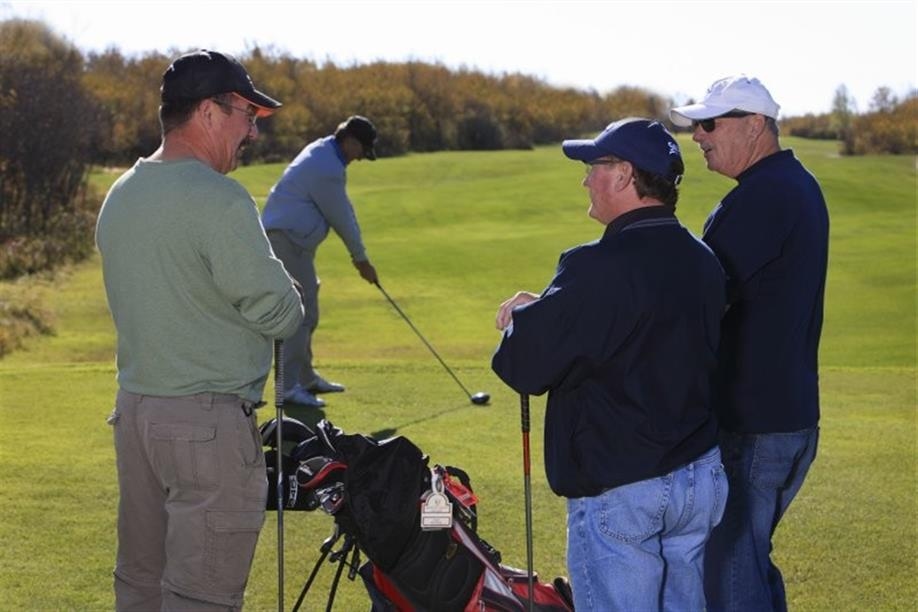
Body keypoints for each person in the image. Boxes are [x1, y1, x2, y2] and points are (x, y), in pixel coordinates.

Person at [95, 49, 304, 611]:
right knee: (201, 599)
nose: (252, 133)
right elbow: (282, 312)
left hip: (136, 415)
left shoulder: (122, 193)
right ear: (210, 112)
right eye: (247, 116)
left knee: (139, 586)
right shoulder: (220, 198)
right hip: (204, 428)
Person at [492, 118, 728, 611]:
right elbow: (645, 323)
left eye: (593, 166)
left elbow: (523, 367)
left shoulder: (592, 266)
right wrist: (551, 309)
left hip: (624, 488)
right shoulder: (703, 260)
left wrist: (524, 318)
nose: (585, 179)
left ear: (623, 174)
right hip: (697, 482)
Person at [670, 75, 829, 612]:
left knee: (731, 572)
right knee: (748, 563)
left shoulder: (768, 195)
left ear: (755, 125)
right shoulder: (788, 186)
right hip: (782, 416)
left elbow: (699, 294)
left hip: (755, 423)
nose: (699, 136)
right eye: (697, 125)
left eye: (710, 124)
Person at [261, 115, 380, 408]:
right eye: (362, 150)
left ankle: (305, 377)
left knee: (308, 310)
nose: (362, 158)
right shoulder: (326, 167)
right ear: (350, 141)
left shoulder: (325, 152)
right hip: (287, 241)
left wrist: (360, 256)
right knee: (299, 313)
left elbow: (345, 209)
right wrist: (360, 258)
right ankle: (288, 387)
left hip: (292, 240)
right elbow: (341, 218)